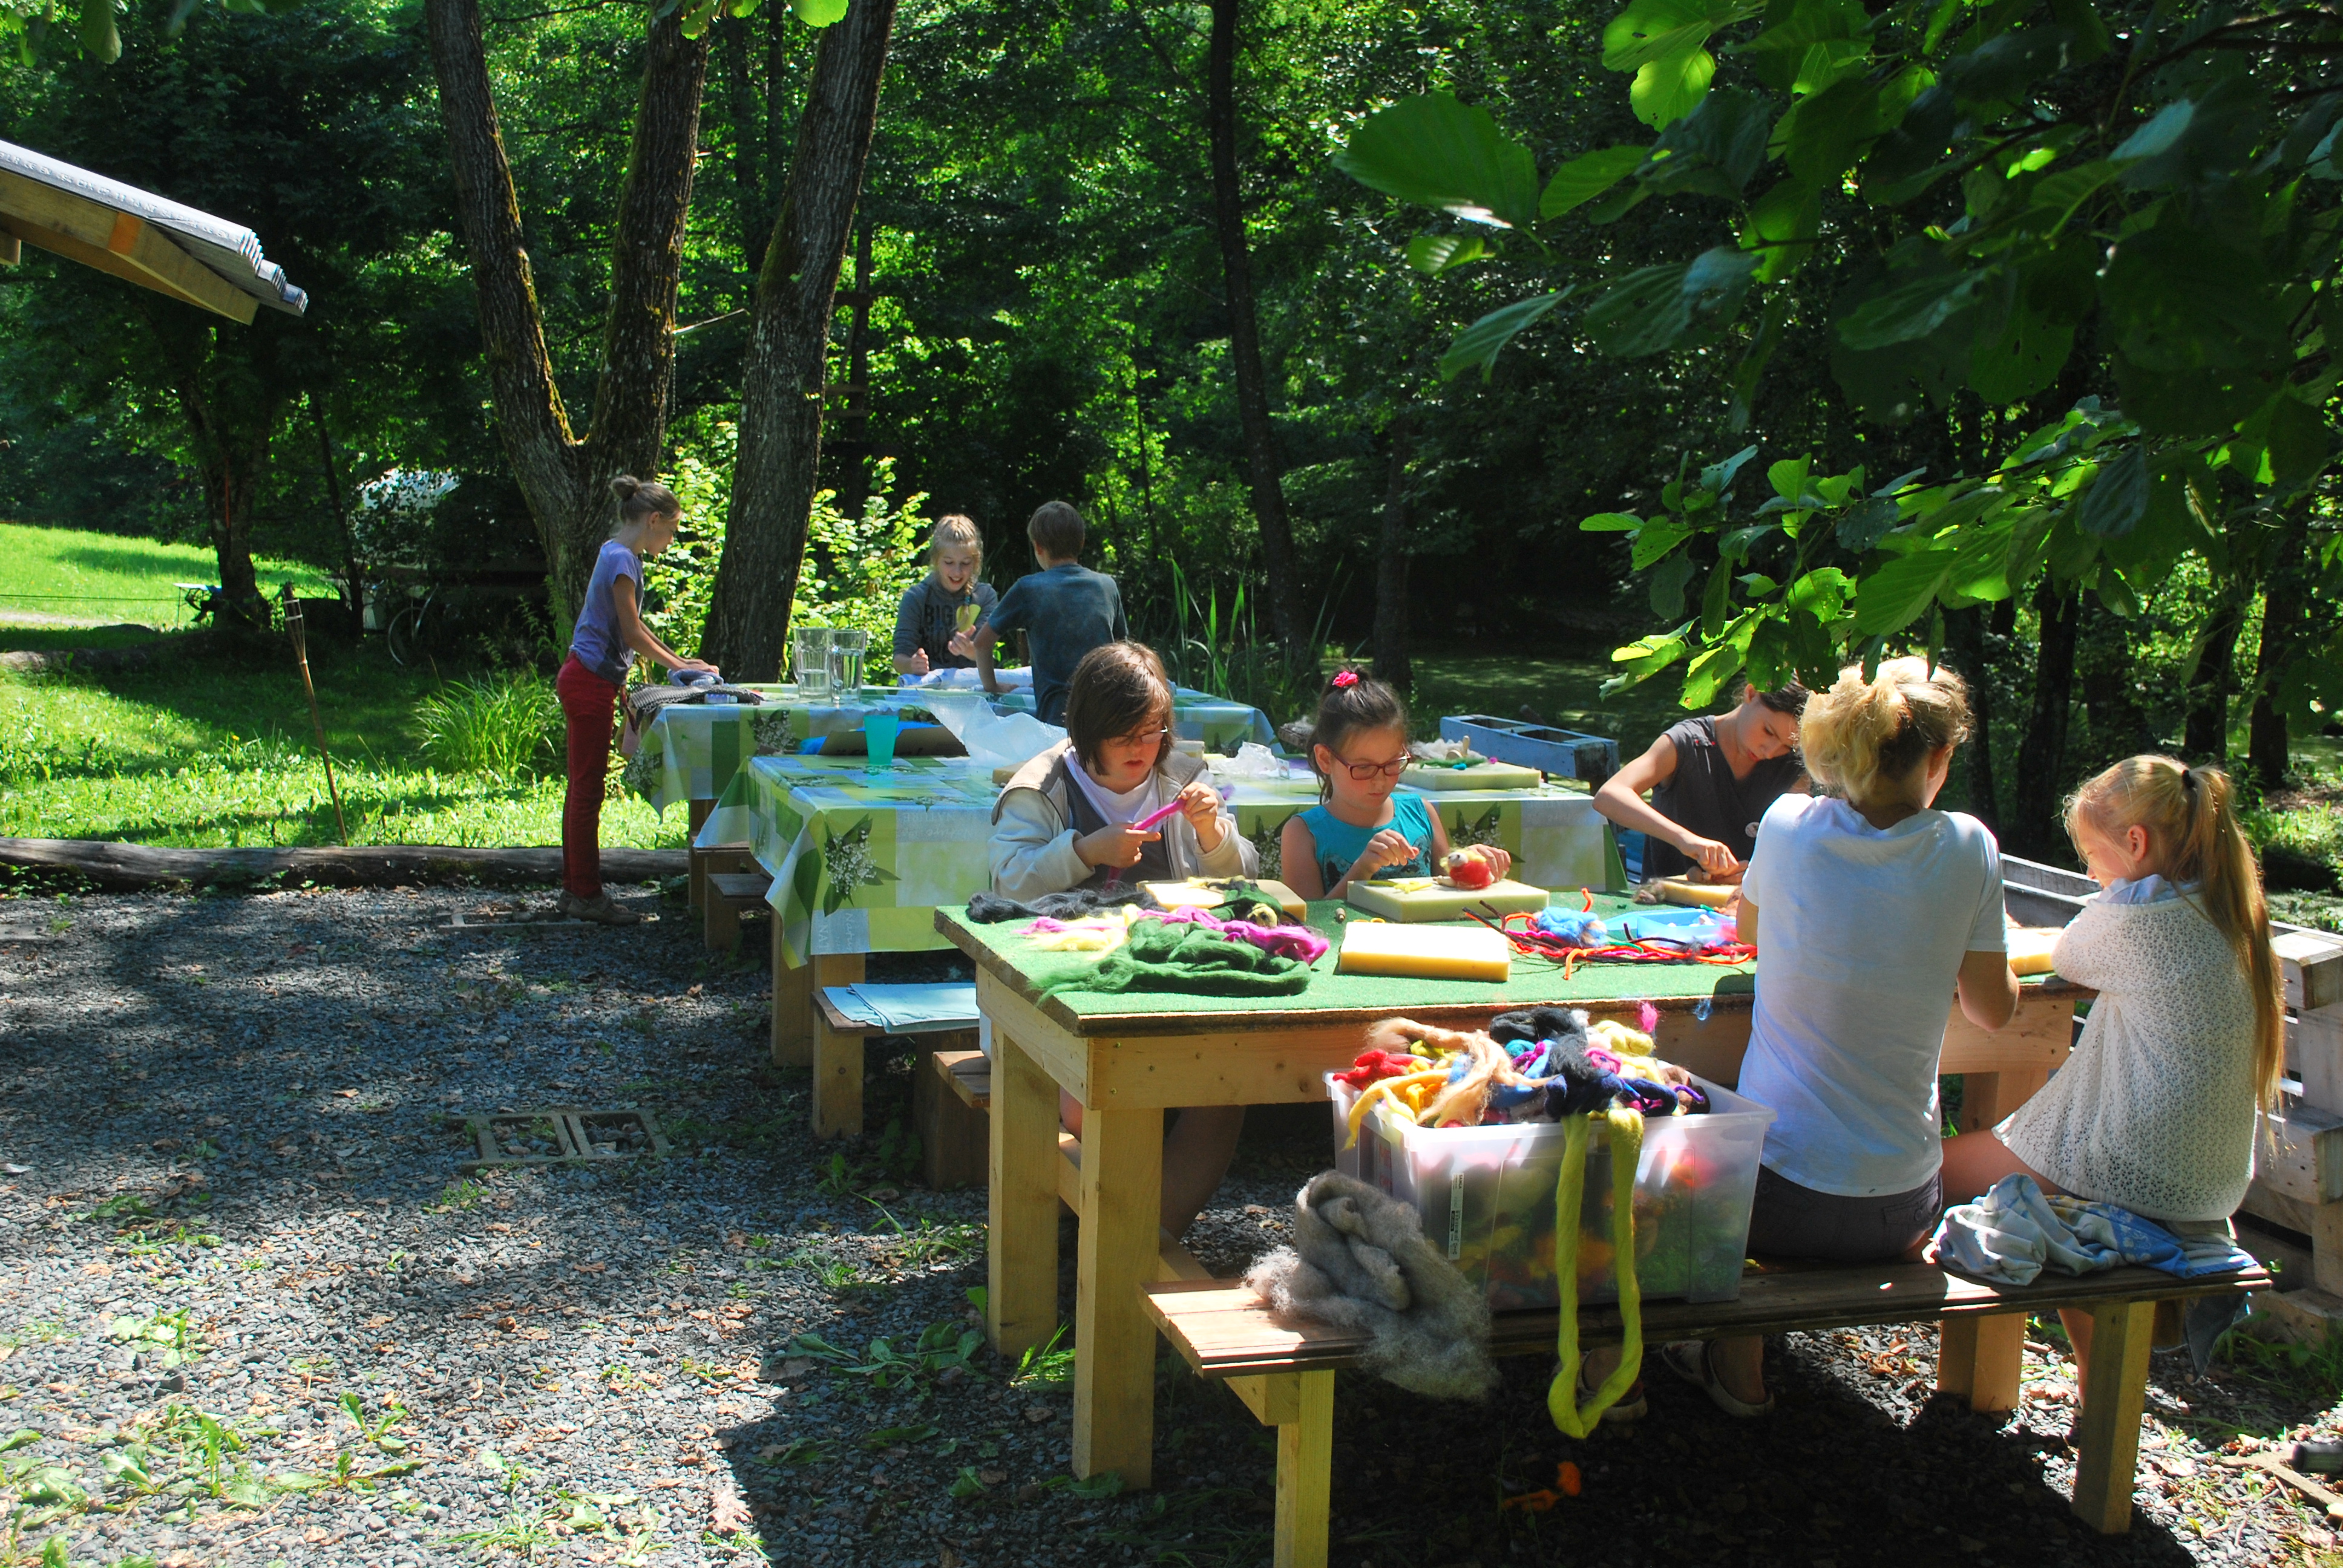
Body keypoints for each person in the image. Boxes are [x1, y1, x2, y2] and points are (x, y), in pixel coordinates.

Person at [1668, 657, 2016, 1417]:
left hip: (1772, 1203)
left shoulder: (1790, 824)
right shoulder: (1968, 845)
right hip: (1900, 1207)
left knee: (1674, 1140)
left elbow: (1749, 932)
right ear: (1938, 760)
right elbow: (1994, 1013)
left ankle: (1737, 1367)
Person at [1940, 755, 2281, 1397]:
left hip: (2134, 1163)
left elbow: (2068, 952)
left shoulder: (2143, 918)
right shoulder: (2223, 909)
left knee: (1916, 1178)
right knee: (2044, 1186)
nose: (2089, 872)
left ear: (2134, 843)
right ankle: (2098, 1395)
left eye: (2092, 855)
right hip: (2207, 1181)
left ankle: (1970, 1381)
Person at [988, 641, 1255, 1236]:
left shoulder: (1180, 775)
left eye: (1152, 731)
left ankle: (1146, 1236)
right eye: (1124, 735)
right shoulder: (1040, 788)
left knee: (1225, 1083)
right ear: (1088, 730)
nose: (1141, 748)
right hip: (1057, 987)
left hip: (1166, 975)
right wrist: (1085, 850)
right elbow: (1006, 883)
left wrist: (1213, 833)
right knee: (1095, 1089)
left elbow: (1241, 880)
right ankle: (1115, 1235)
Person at [557, 475, 716, 926]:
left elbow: (638, 632)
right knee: (587, 791)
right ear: (652, 520)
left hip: (584, 678)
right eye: (670, 530)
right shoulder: (624, 561)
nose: (670, 539)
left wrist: (681, 661)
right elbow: (630, 634)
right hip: (588, 683)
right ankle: (586, 895)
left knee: (581, 789)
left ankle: (575, 891)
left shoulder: (614, 552)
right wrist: (685, 669)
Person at [1279, 670, 1510, 900]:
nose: (1380, 780)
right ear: (1325, 760)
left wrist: (1470, 865)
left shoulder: (1421, 813)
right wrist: (1362, 869)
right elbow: (1308, 924)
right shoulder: (1304, 834)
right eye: (1363, 767)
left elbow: (1449, 890)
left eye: (1392, 763)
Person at [1594, 682, 1808, 881]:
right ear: (1751, 694)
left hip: (1743, 910)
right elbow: (1609, 796)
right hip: (1663, 905)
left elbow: (1789, 848)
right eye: (1768, 731)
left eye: (1787, 746)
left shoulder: (1793, 766)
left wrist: (1747, 874)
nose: (1770, 752)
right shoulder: (1686, 743)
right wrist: (1685, 840)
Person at [968, 501, 1127, 724]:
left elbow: (982, 643)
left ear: (1038, 547)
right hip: (1107, 713)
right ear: (1081, 542)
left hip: (1056, 716)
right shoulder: (1107, 586)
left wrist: (992, 686)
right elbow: (1125, 653)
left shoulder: (1028, 588)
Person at [891, 514, 997, 676]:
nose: (957, 572)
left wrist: (967, 649)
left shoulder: (986, 596)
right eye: (949, 563)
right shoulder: (916, 597)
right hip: (926, 690)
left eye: (965, 563)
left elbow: (986, 653)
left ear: (976, 562)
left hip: (972, 689)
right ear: (936, 560)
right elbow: (899, 659)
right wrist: (912, 665)